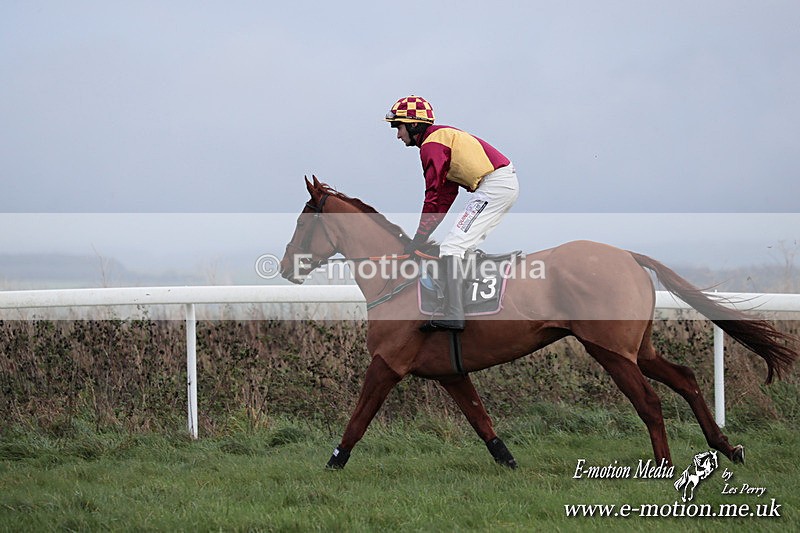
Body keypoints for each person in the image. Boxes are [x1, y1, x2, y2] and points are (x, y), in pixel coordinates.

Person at [385, 95, 519, 331]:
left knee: (451, 248)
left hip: (494, 187)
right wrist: (422, 236)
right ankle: (467, 301)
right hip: (498, 184)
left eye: (399, 126)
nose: (397, 134)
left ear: (414, 124)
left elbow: (434, 195)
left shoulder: (431, 146)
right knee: (460, 245)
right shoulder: (438, 140)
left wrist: (419, 237)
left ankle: (455, 313)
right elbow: (445, 196)